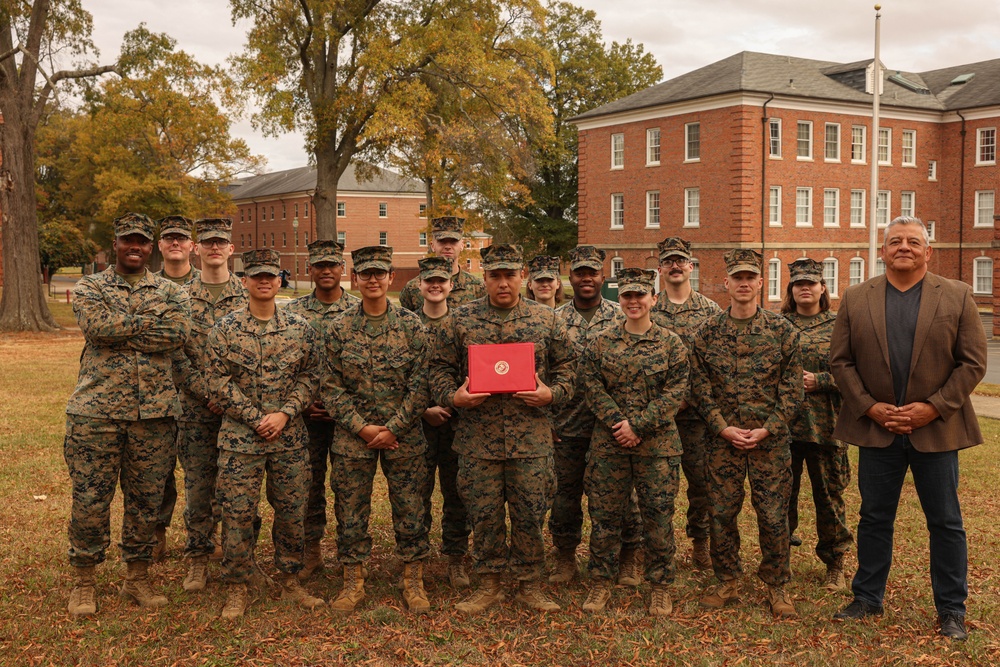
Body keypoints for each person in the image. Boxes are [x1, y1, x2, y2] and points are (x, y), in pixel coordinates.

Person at [830, 216, 987, 641]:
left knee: (946, 522)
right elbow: (840, 362)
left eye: (913, 241)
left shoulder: (957, 295)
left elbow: (972, 362)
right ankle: (867, 598)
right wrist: (869, 407)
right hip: (877, 430)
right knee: (874, 517)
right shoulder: (856, 298)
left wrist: (933, 408)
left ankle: (951, 609)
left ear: (927, 251)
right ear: (882, 251)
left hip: (936, 431)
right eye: (895, 241)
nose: (904, 247)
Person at [429, 243, 577, 614]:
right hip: (478, 440)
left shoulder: (546, 319)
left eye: (510, 275)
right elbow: (438, 369)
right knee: (484, 514)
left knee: (530, 513)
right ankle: (489, 584)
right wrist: (453, 397)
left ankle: (529, 585)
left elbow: (570, 369)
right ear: (484, 278)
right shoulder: (460, 319)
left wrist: (551, 393)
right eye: (495, 275)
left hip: (530, 440)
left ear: (522, 276)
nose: (503, 283)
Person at [65, 212, 190, 617]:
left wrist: (121, 330)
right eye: (127, 240)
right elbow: (96, 328)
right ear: (115, 243)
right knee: (90, 500)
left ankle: (137, 578)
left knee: (146, 502)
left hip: (154, 416)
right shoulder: (90, 287)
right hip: (96, 414)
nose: (134, 246)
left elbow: (177, 333)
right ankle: (84, 581)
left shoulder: (171, 291)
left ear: (151, 247)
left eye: (141, 241)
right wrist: (147, 326)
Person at [208, 249, 326, 619]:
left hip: (288, 438)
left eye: (270, 276)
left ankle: (290, 580)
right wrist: (256, 418)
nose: (263, 281)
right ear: (244, 281)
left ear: (279, 281)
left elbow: (311, 376)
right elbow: (217, 381)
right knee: (237, 513)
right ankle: (237, 586)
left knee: (292, 510)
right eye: (256, 275)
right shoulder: (225, 329)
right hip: (240, 440)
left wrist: (285, 413)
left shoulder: (300, 329)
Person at [690, 248, 803, 618]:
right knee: (721, 513)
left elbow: (792, 390)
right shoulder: (707, 333)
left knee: (773, 515)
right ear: (726, 283)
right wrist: (722, 427)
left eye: (749, 277)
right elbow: (699, 388)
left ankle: (777, 584)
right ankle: (727, 580)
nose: (743, 283)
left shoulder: (782, 331)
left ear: (761, 283)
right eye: (737, 277)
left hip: (770, 443)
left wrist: (768, 428)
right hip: (722, 442)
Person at [322, 246, 432, 614]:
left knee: (411, 508)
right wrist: (363, 428)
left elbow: (421, 384)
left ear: (391, 278)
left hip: (404, 436)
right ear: (354, 278)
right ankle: (353, 579)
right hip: (353, 437)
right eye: (365, 273)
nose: (372, 280)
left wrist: (394, 427)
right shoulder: (338, 328)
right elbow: (330, 386)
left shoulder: (412, 326)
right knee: (350, 510)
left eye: (379, 273)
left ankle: (413, 578)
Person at [578, 268, 688, 616]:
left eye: (640, 295)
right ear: (620, 300)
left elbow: (676, 392)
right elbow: (590, 386)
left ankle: (660, 586)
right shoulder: (601, 342)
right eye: (627, 295)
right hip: (610, 444)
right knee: (605, 517)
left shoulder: (671, 344)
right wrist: (618, 423)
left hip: (657, 447)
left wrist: (638, 425)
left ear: (653, 299)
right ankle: (600, 581)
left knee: (658, 517)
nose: (634, 301)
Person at [548, 245, 643, 588]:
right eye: (580, 273)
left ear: (603, 277)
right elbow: (542, 371)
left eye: (592, 273)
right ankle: (564, 556)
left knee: (623, 497)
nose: (586, 278)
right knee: (564, 496)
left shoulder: (622, 316)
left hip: (614, 426)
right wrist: (547, 420)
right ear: (569, 277)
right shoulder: (554, 319)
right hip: (567, 425)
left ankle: (629, 556)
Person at [170, 218, 248, 592]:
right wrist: (209, 393)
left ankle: (241, 557)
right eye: (207, 243)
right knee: (199, 488)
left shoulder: (248, 295)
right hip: (196, 411)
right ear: (196, 249)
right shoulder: (179, 299)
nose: (214, 248)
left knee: (240, 488)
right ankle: (198, 559)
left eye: (221, 242)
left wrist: (231, 398)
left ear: (231, 249)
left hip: (240, 414)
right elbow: (176, 354)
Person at [284, 240, 360, 579]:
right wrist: (303, 403)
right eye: (319, 265)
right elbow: (286, 364)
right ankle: (311, 552)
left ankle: (350, 557)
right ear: (310, 269)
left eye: (332, 265)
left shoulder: (358, 309)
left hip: (348, 420)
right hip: (306, 417)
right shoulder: (292, 312)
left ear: (342, 269)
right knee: (308, 485)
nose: (326, 271)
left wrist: (341, 406)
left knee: (349, 489)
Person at [650, 236, 722, 571]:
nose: (675, 266)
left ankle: (700, 543)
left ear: (691, 266)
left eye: (681, 261)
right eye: (669, 261)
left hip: (697, 418)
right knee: (656, 487)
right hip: (659, 418)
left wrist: (688, 398)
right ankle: (655, 546)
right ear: (660, 269)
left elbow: (716, 365)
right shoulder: (650, 309)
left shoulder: (710, 311)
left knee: (702, 485)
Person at [780, 258, 852, 591]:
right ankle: (779, 559)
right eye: (799, 283)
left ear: (823, 288)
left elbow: (857, 373)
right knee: (780, 499)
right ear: (791, 289)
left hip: (827, 429)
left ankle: (835, 563)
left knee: (829, 499)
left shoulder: (840, 326)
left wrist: (820, 380)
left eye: (811, 282)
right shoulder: (778, 325)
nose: (805, 288)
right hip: (784, 429)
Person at [415, 256, 472, 588]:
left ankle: (456, 558)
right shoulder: (407, 323)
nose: (435, 286)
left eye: (441, 281)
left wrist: (454, 402)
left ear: (451, 285)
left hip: (456, 423)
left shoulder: (464, 324)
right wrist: (424, 408)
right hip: (417, 424)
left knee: (457, 493)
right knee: (416, 494)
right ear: (420, 285)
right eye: (429, 281)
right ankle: (417, 559)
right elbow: (399, 376)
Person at [151, 214, 200, 561]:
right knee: (156, 470)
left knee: (203, 472)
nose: (175, 243)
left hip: (201, 397)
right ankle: (156, 534)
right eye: (169, 238)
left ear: (192, 246)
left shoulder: (208, 284)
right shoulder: (147, 286)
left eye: (181, 238)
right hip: (156, 392)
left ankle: (206, 537)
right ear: (160, 245)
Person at [398, 216, 486, 311]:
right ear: (432, 246)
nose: (448, 247)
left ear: (462, 245)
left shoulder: (478, 287)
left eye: (453, 241)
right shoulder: (413, 288)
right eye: (442, 241)